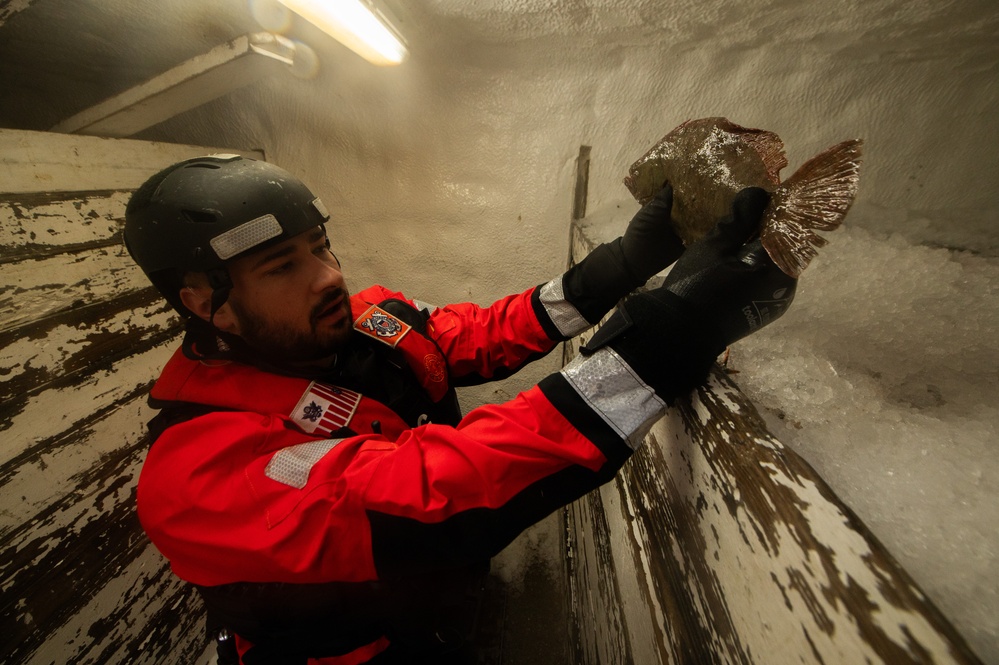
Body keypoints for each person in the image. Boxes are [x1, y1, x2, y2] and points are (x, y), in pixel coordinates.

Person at [124, 154, 796, 664]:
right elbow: (434, 493)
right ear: (201, 301)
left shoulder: (366, 322)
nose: (328, 276)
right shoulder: (195, 475)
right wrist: (659, 339)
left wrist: (618, 267)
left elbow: (471, 335)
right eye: (279, 266)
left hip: (437, 617)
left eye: (320, 246)